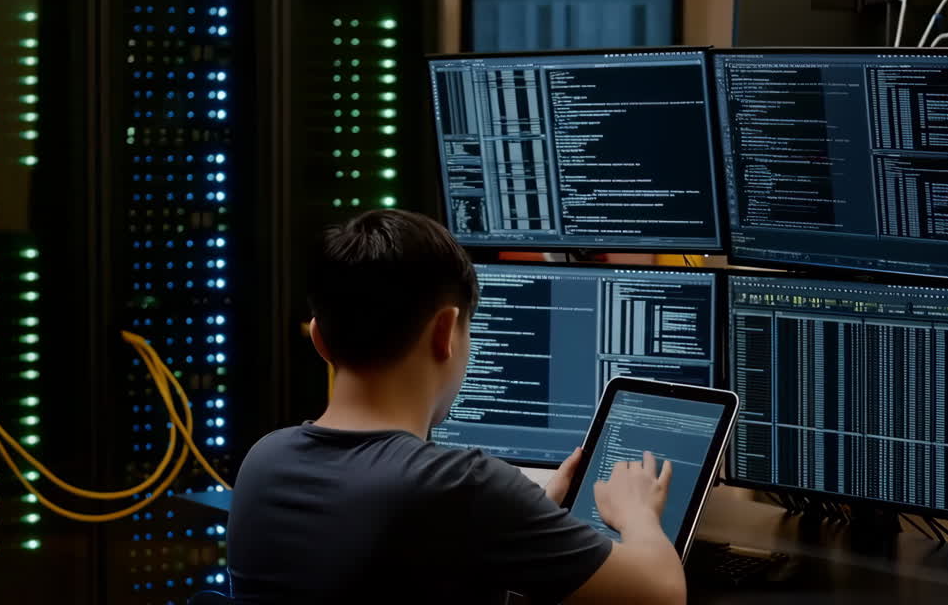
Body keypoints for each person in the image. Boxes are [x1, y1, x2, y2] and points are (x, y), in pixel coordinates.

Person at [227, 210, 686, 605]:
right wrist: (636, 513)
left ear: (321, 340)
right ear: (445, 331)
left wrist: (531, 515)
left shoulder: (264, 461)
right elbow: (661, 594)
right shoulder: (462, 487)